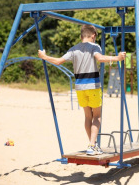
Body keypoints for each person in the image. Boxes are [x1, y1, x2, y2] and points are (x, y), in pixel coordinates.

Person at [38, 24, 126, 155]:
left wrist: (44, 57)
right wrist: (117, 58)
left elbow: (58, 61)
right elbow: (100, 58)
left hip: (79, 87)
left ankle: (93, 144)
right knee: (97, 116)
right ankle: (91, 145)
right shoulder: (94, 46)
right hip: (93, 86)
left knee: (87, 116)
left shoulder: (73, 49)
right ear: (93, 35)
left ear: (81, 36)